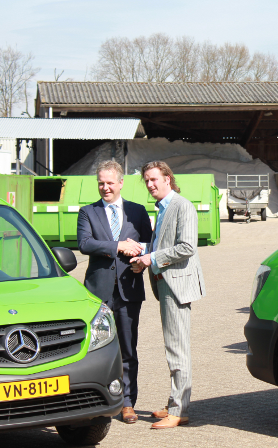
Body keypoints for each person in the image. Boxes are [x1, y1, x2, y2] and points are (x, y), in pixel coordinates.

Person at [130, 160, 206, 429]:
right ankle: (175, 401)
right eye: (147, 181)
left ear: (167, 179)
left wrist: (151, 258)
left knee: (177, 347)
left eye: (154, 179)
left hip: (176, 286)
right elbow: (162, 244)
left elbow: (187, 247)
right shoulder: (162, 208)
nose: (150, 184)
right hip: (165, 283)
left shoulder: (182, 206)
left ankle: (179, 409)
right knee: (173, 345)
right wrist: (142, 253)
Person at [77, 160, 152, 424]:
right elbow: (85, 244)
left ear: (121, 183)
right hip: (98, 293)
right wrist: (118, 246)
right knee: (95, 349)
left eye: (110, 183)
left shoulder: (137, 211)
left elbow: (149, 243)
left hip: (129, 289)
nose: (105, 187)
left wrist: (141, 260)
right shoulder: (88, 212)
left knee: (128, 349)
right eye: (101, 183)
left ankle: (127, 403)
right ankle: (96, 399)